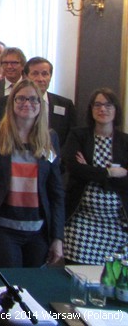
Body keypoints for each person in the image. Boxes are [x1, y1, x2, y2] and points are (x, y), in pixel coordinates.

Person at [0, 80, 64, 268]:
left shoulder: (49, 138)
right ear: (12, 102)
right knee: (9, 283)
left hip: (38, 231)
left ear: (40, 104)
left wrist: (57, 237)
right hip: (2, 230)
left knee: (33, 283)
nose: (27, 103)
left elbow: (56, 192)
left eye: (33, 99)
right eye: (21, 98)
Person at [63, 88, 128, 264]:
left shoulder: (125, 141)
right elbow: (73, 168)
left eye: (108, 105)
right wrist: (109, 173)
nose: (102, 109)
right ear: (91, 109)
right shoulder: (79, 135)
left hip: (116, 224)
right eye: (97, 105)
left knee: (112, 274)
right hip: (81, 221)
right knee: (77, 273)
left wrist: (90, 170)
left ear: (116, 109)